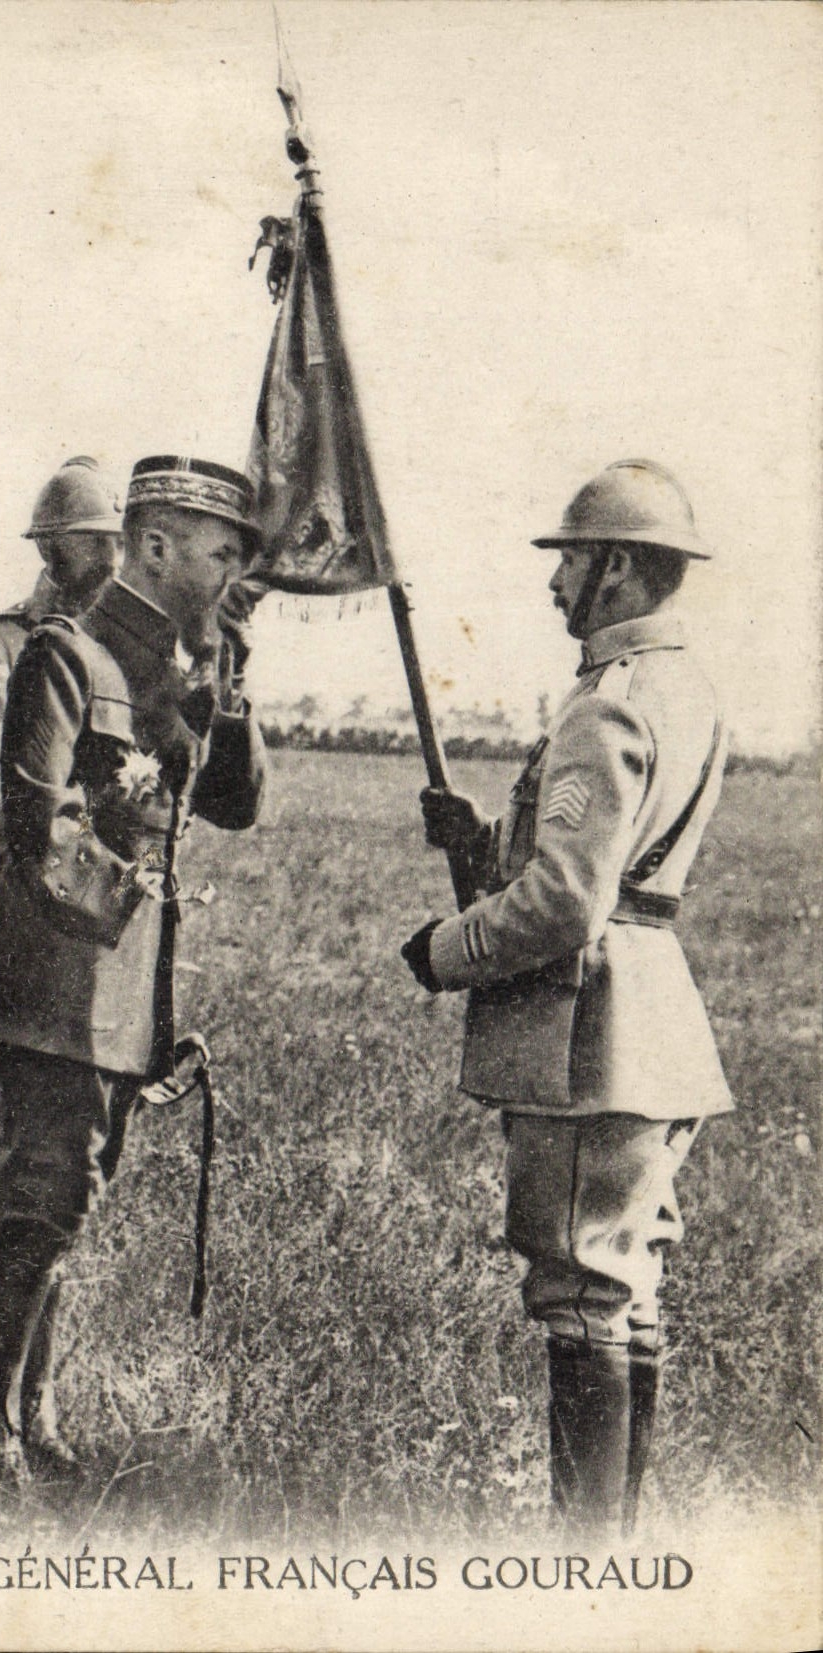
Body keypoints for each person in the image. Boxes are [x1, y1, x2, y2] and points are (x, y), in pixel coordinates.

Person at [401, 459, 732, 1534]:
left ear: (619, 571)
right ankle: (615, 1547)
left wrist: (443, 950)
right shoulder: (690, 694)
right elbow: (622, 863)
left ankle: (582, 1566)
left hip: (591, 1032)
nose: (555, 585)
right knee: (626, 1287)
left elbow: (562, 906)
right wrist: (484, 845)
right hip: (657, 1019)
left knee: (580, 1290)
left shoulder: (610, 705)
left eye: (572, 562)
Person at [0, 454, 266, 1474]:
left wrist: (230, 688)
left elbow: (232, 802)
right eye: (217, 554)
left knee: (61, 1188)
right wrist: (95, 820)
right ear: (147, 546)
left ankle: (18, 1417)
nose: (230, 576)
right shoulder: (50, 652)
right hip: (47, 959)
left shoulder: (169, 660)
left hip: (118, 970)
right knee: (44, 1183)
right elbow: (6, 803)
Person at [0, 455, 123, 1469]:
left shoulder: (126, 666)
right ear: (59, 552)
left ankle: (28, 1410)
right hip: (18, 943)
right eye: (102, 542)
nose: (113, 560)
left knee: (72, 1176)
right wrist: (68, 813)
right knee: (28, 1166)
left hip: (98, 954)